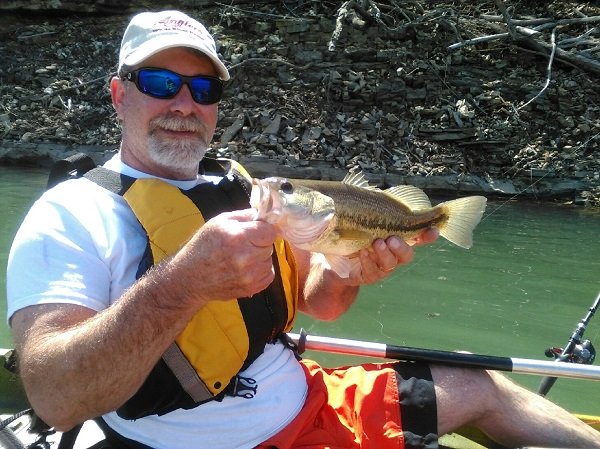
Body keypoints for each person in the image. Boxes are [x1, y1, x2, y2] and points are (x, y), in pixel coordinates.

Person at [6, 9, 599, 449]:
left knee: (477, 380)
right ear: (119, 94)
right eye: (160, 83)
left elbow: (322, 301)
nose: (184, 103)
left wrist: (352, 268)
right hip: (207, 440)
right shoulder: (73, 214)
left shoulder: (240, 185)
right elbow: (57, 399)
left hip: (311, 402)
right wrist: (180, 284)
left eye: (203, 88)